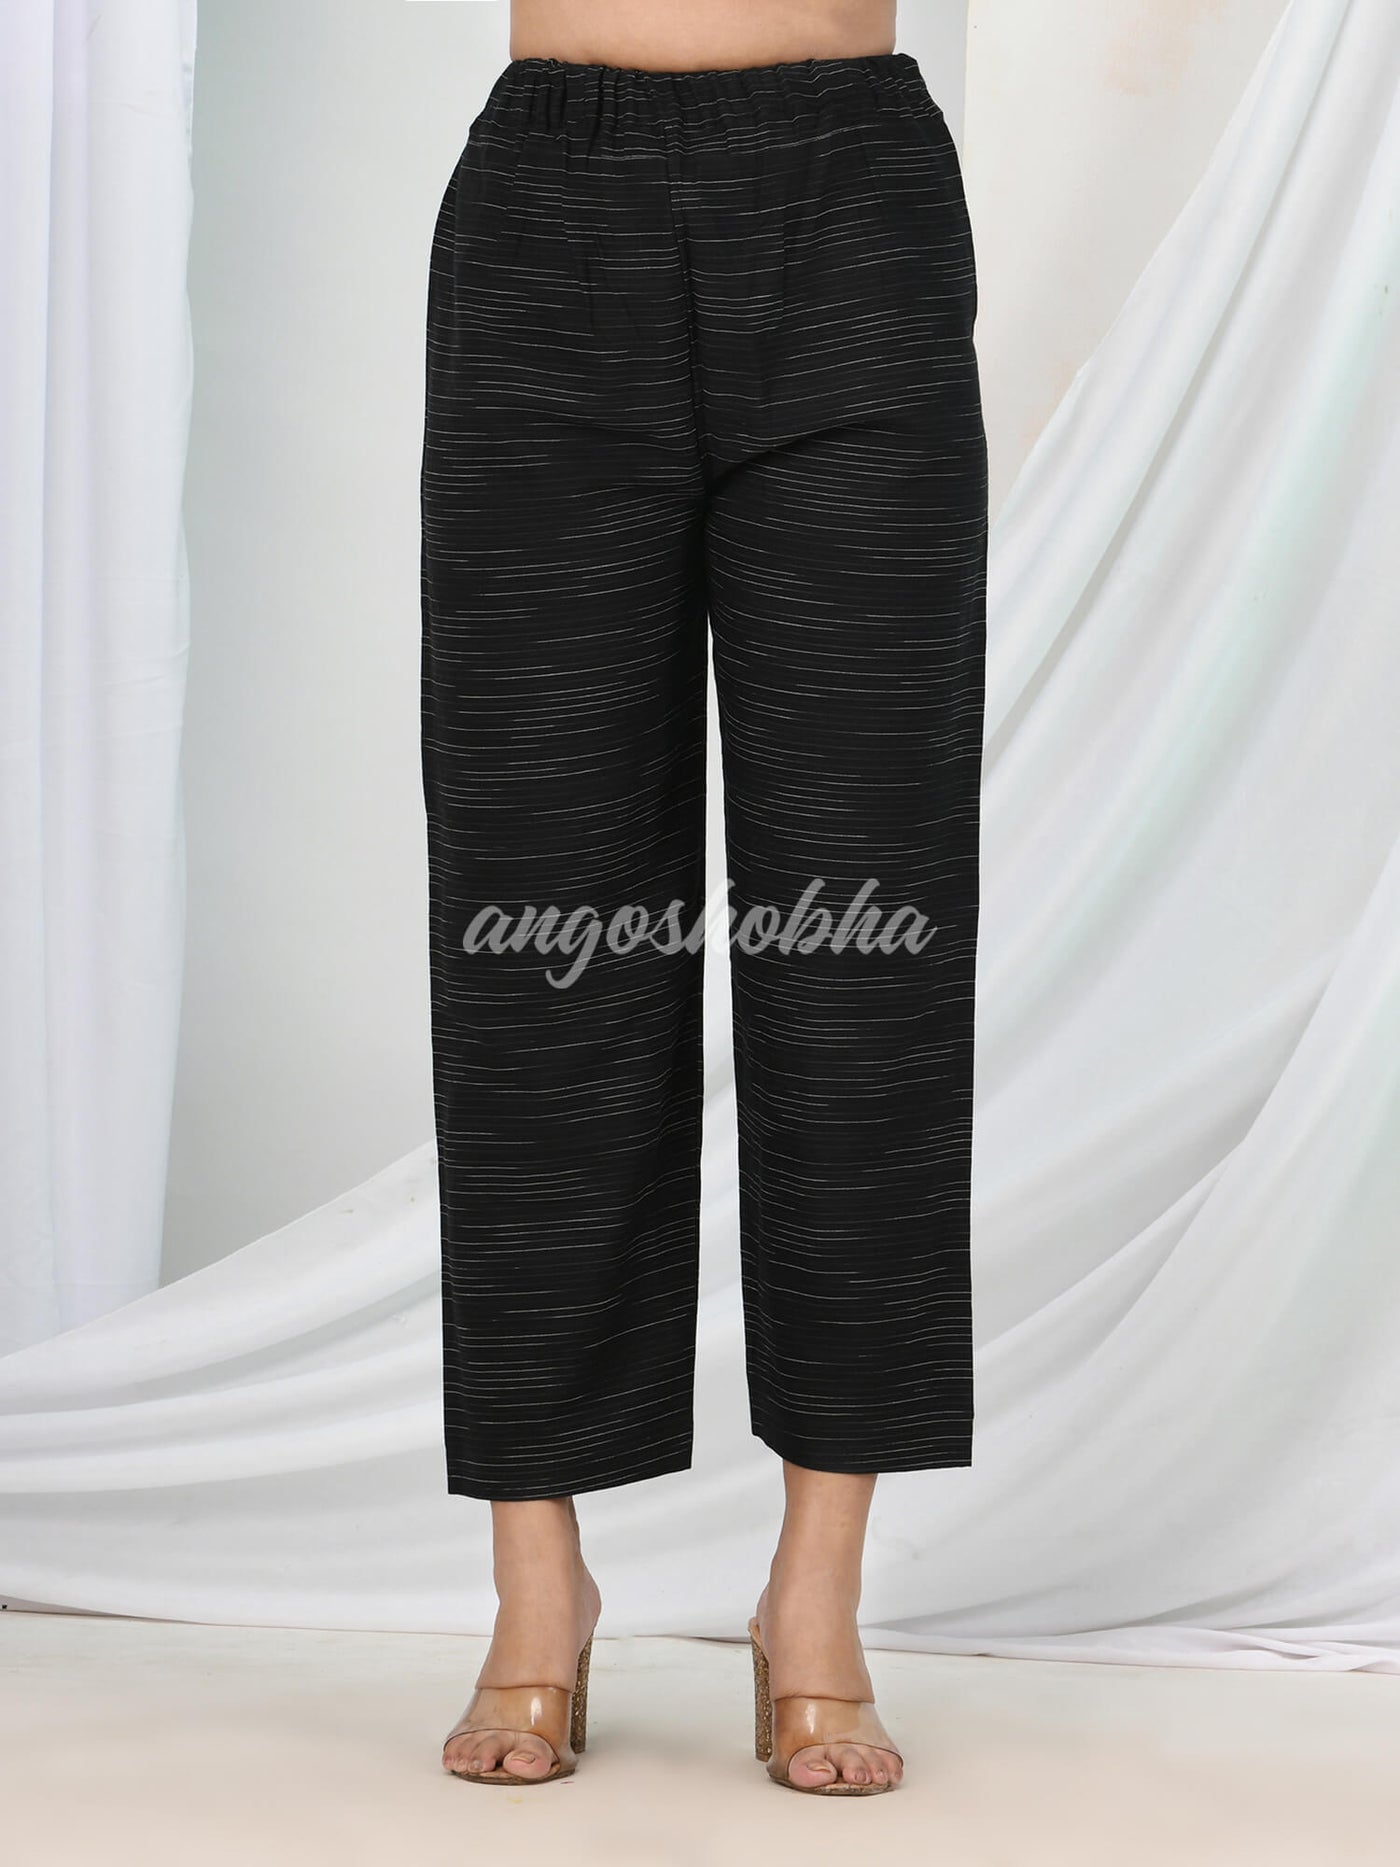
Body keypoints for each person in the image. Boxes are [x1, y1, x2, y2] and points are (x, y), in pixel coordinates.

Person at [421, 0, 986, 1796]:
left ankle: (816, 1594)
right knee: (538, 911)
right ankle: (539, 1581)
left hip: (854, 202)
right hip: (547, 215)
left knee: (867, 911)